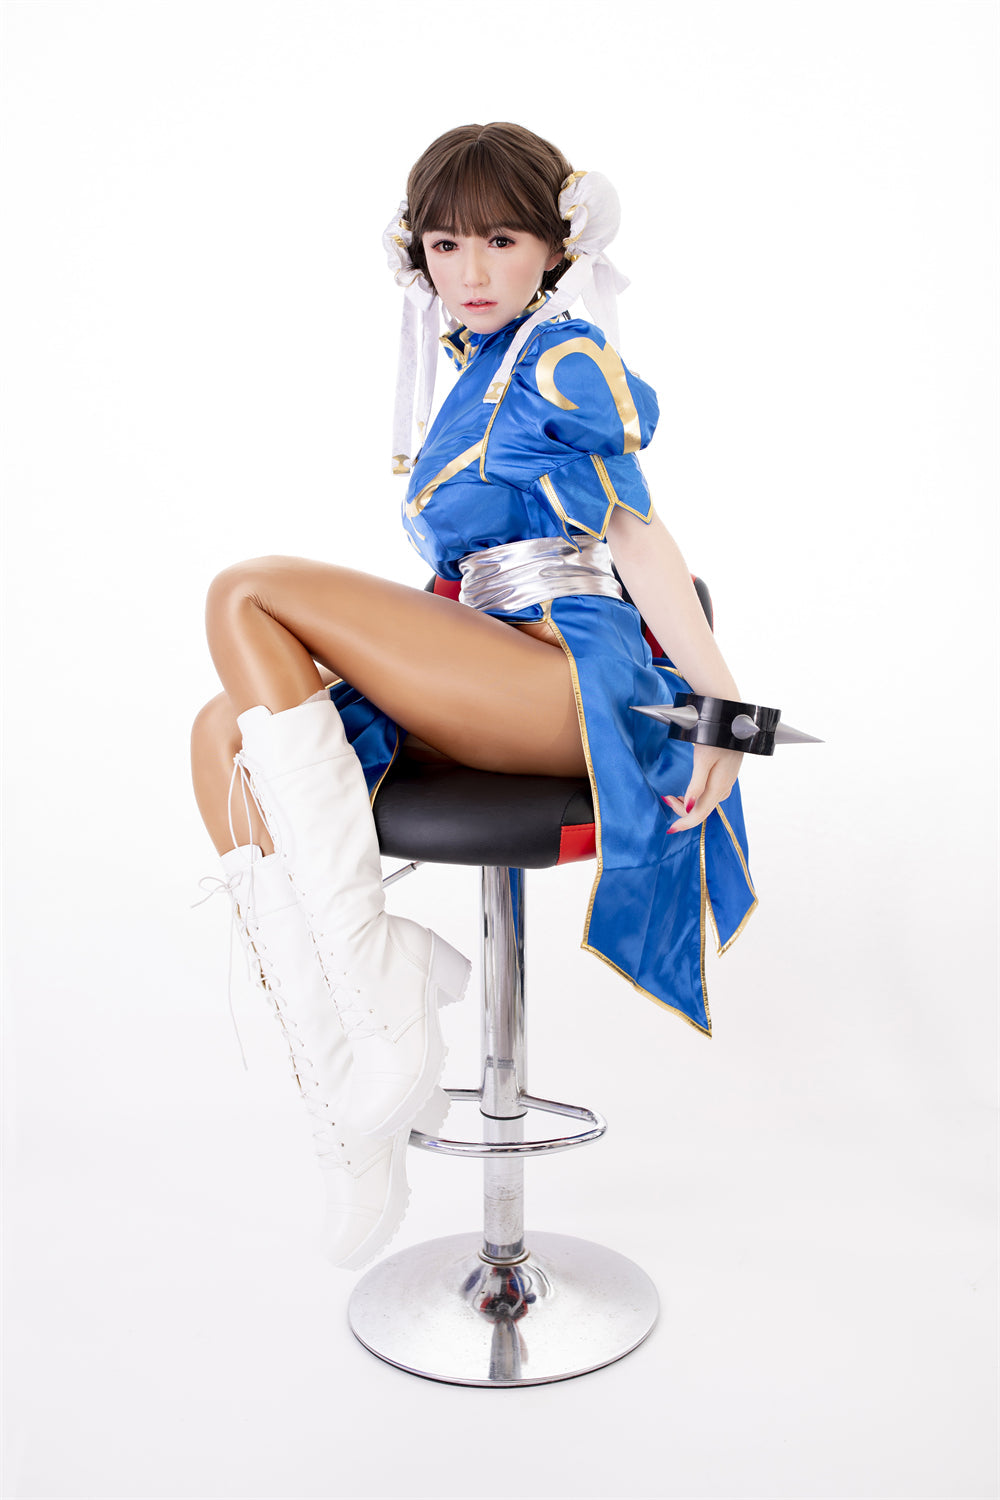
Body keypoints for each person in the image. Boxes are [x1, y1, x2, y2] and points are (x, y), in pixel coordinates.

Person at [191, 122, 756, 1272]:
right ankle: (350, 1095)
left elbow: (640, 538)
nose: (471, 270)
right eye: (445, 245)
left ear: (555, 246)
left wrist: (727, 714)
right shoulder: (474, 365)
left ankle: (386, 1006)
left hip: (561, 677)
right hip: (487, 660)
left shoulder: (563, 357)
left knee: (245, 591)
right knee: (221, 735)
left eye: (500, 240)